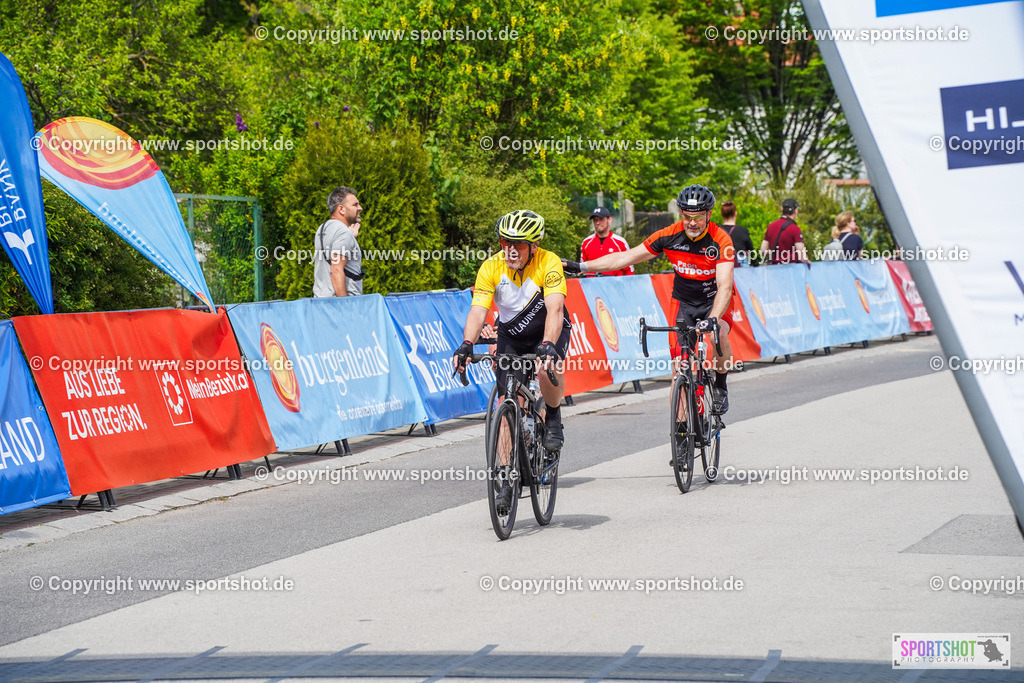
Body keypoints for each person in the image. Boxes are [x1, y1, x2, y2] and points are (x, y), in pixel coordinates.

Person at [562, 184, 734, 415]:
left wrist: (713, 318)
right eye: (687, 217)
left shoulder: (721, 240)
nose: (692, 223)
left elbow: (725, 285)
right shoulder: (669, 235)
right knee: (679, 369)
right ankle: (682, 429)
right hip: (684, 302)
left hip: (715, 299)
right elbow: (626, 257)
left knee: (717, 334)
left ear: (709, 215)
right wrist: (581, 266)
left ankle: (721, 385)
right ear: (681, 214)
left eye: (698, 218)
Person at [452, 210, 571, 513]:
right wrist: (466, 344)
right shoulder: (491, 266)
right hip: (512, 337)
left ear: (534, 245)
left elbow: (555, 309)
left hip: (548, 329)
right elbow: (478, 310)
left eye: (518, 243)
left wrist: (548, 345)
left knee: (546, 369)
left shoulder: (549, 262)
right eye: (505, 242)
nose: (511, 249)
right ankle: (506, 478)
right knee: (507, 402)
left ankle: (553, 415)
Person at [313, 186, 364, 297]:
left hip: (321, 301)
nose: (360, 208)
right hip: (339, 303)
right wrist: (344, 303)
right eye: (355, 205)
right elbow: (336, 270)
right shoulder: (343, 233)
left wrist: (351, 236)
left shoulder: (322, 229)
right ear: (341, 209)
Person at [580, 207, 633, 276]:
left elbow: (629, 270)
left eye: (601, 219)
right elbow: (582, 269)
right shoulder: (586, 242)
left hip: (614, 282)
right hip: (592, 282)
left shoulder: (620, 242)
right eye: (595, 220)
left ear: (609, 220)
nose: (598, 223)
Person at [760, 198, 810, 267]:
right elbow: (801, 254)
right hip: (791, 268)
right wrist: (807, 261)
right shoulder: (795, 228)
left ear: (782, 209)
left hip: (774, 268)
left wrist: (777, 253)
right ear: (795, 211)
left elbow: (763, 250)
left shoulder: (771, 226)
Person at [719, 201, 754, 267]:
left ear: (722, 214)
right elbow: (751, 249)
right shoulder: (742, 230)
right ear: (735, 213)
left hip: (722, 261)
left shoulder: (717, 230)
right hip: (740, 262)